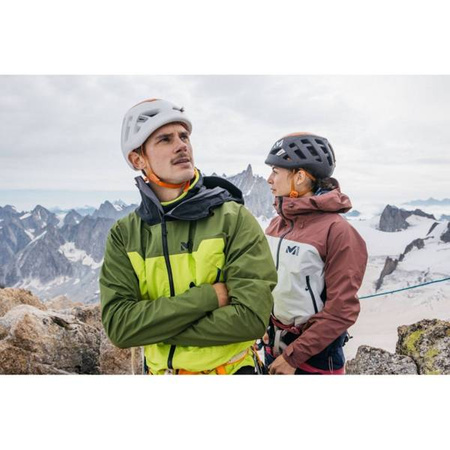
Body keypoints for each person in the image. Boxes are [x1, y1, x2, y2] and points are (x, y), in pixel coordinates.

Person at [100, 98, 277, 375]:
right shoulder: (125, 234)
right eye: (165, 139)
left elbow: (251, 319)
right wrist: (209, 297)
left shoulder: (233, 219)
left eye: (184, 136)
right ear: (137, 159)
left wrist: (151, 329)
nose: (181, 145)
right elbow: (120, 327)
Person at [263, 132, 368, 375]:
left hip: (314, 360)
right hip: (274, 347)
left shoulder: (338, 231)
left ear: (299, 177)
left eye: (276, 171)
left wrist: (292, 358)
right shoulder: (276, 225)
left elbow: (342, 310)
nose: (269, 179)